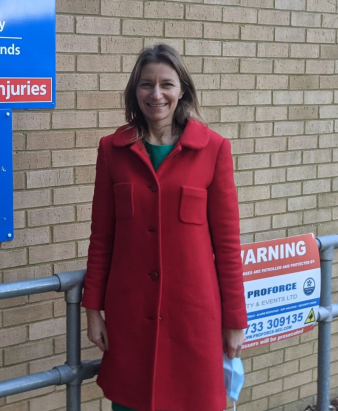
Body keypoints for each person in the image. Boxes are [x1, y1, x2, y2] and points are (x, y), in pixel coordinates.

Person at [82, 44, 248, 411]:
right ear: (134, 91)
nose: (156, 94)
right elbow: (101, 238)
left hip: (193, 320)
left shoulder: (214, 150)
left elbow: (227, 244)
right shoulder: (112, 151)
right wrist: (92, 310)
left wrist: (235, 321)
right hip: (130, 318)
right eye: (146, 84)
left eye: (166, 84)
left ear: (182, 90)